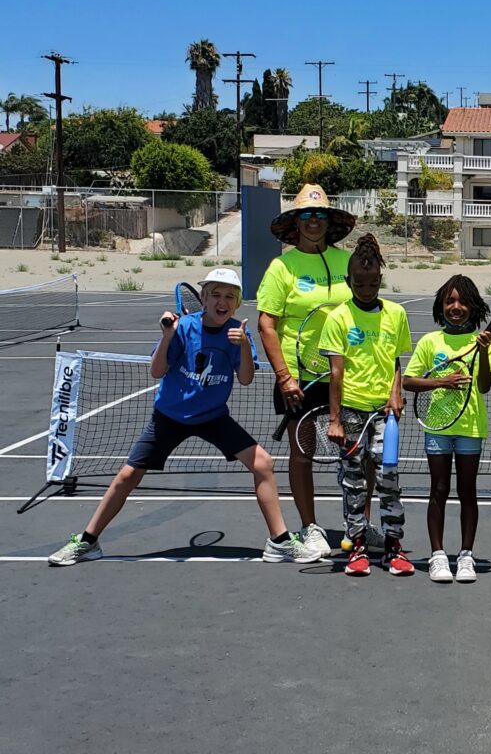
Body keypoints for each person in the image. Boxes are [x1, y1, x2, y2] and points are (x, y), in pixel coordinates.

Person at [48, 269, 317, 566]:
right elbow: (157, 371)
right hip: (169, 417)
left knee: (263, 463)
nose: (222, 301)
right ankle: (87, 542)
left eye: (229, 296)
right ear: (203, 298)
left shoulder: (239, 334)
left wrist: (241, 345)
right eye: (215, 294)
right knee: (127, 476)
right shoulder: (183, 328)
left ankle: (278, 542)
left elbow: (245, 379)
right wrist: (166, 337)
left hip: (213, 416)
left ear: (238, 303)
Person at [257, 183, 377, 559]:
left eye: (320, 215)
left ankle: (360, 525)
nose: (313, 221)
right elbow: (267, 324)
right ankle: (310, 528)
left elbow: (369, 310)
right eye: (306, 215)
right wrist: (284, 377)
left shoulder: (346, 262)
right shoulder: (283, 266)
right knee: (302, 452)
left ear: (329, 221)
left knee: (360, 455)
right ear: (296, 222)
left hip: (349, 374)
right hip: (299, 375)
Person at [320, 234, 413, 577]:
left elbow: (395, 362)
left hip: (385, 415)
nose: (367, 287)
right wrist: (335, 420)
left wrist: (396, 392)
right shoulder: (338, 318)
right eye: (360, 282)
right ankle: (357, 546)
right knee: (354, 482)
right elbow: (336, 373)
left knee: (389, 478)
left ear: (380, 280)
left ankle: (393, 546)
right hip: (351, 413)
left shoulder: (396, 314)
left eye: (373, 282)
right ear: (348, 281)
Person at [403, 275, 491, 583]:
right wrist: (442, 381)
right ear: (441, 307)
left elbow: (484, 386)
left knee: (467, 491)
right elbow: (408, 380)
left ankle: (466, 556)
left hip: (471, 427)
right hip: (438, 427)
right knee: (439, 490)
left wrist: (482, 352)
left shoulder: (483, 341)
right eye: (449, 301)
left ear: (473, 306)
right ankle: (438, 555)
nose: (456, 307)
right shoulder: (431, 341)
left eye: (462, 301)